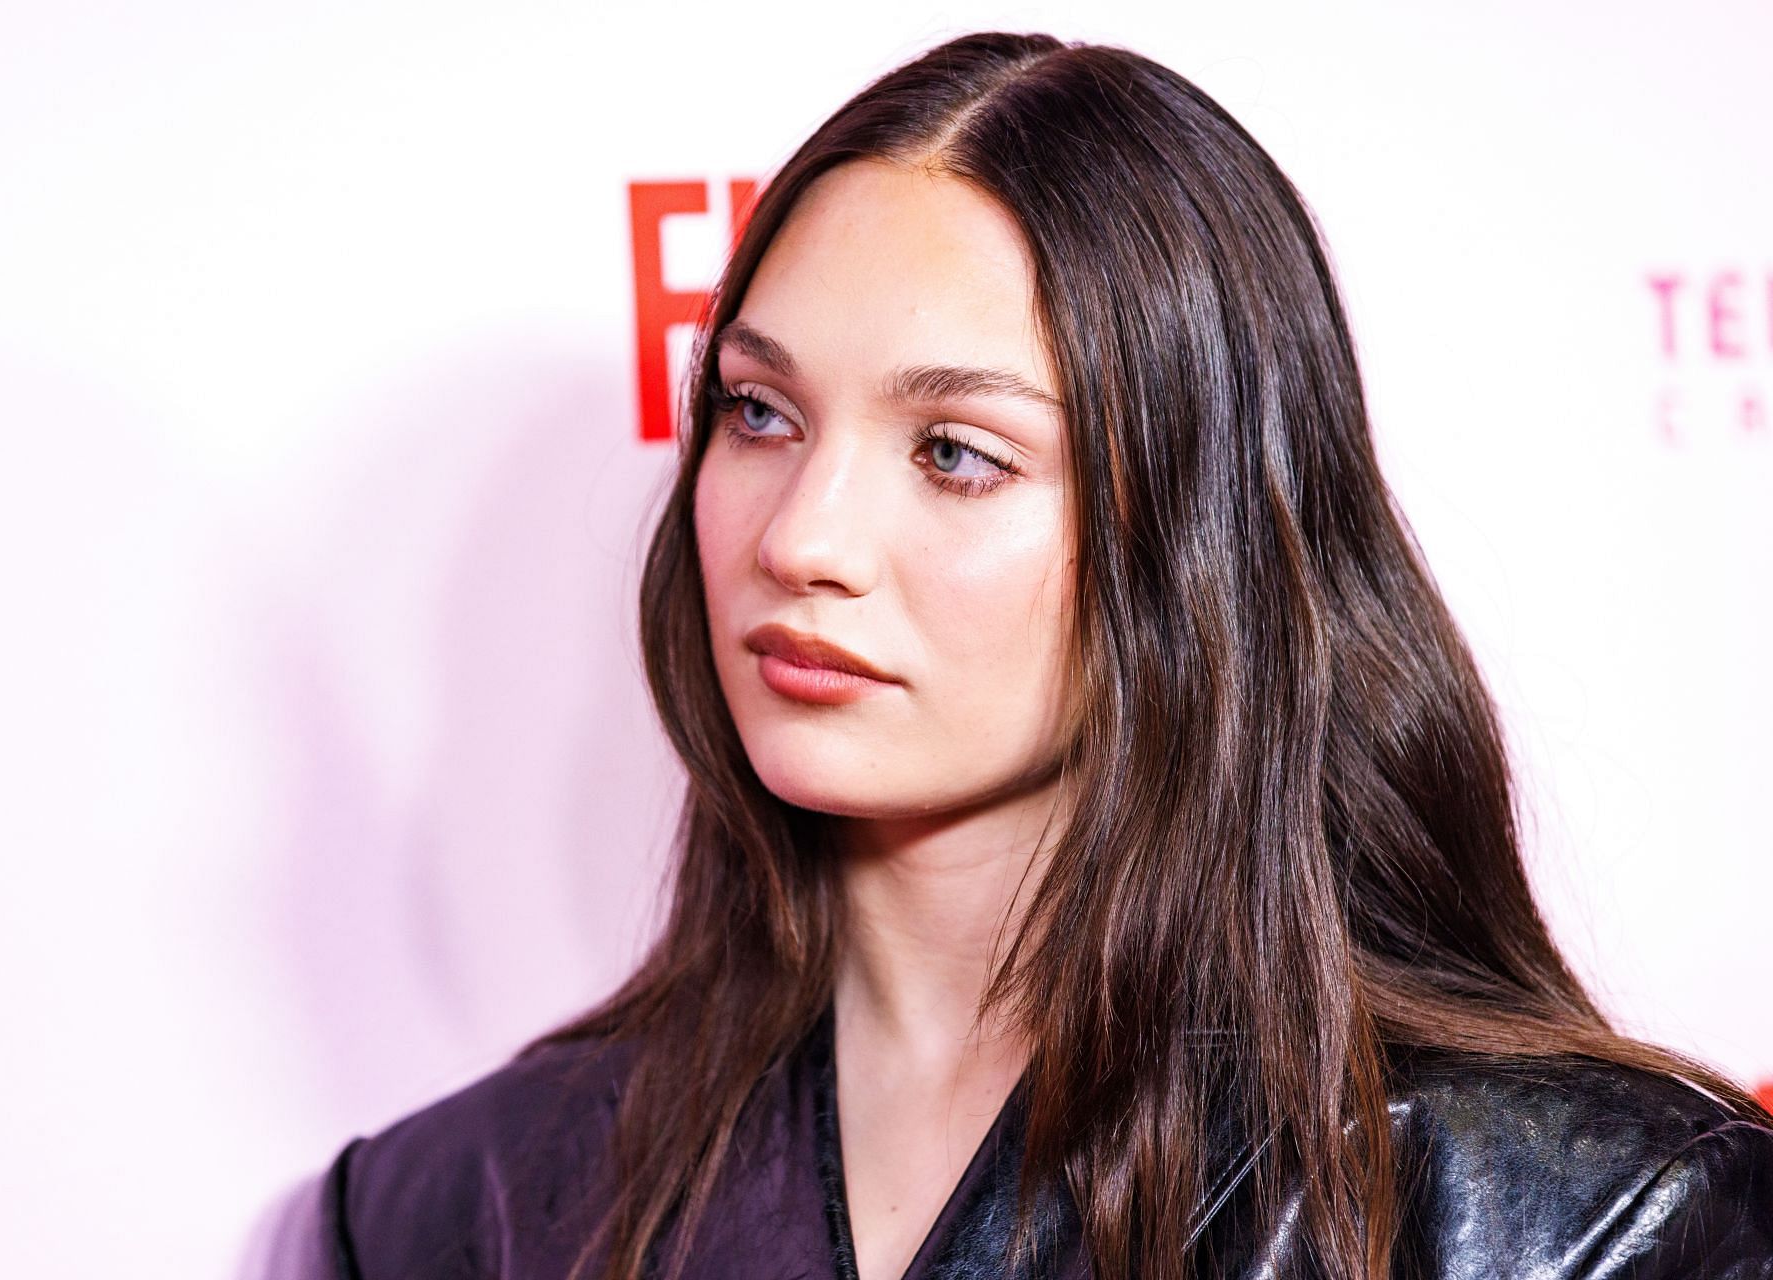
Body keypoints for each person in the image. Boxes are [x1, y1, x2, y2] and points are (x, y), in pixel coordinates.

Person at [316, 29, 1773, 1280]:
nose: (802, 538)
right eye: (762, 413)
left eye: (956, 453)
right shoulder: (472, 1207)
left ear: (1198, 534)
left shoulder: (1566, 1218)